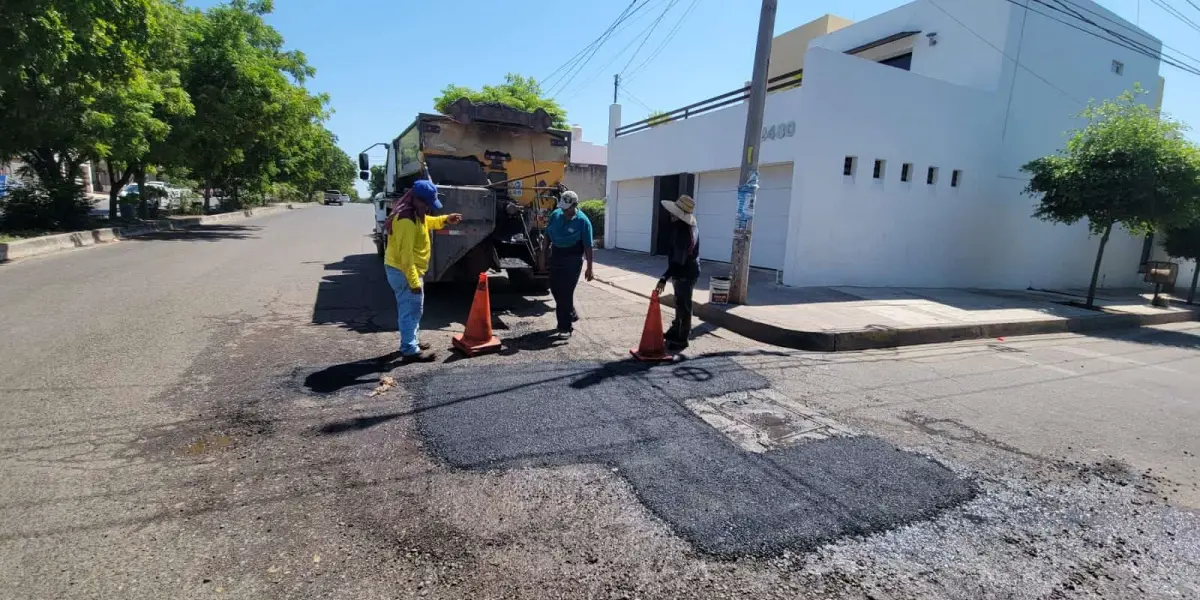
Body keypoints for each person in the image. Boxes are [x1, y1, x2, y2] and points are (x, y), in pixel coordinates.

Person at [384, 180, 462, 362]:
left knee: (413, 309)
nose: (429, 208)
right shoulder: (406, 221)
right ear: (417, 200)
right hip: (403, 271)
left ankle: (412, 341)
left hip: (407, 270)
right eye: (427, 203)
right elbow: (405, 257)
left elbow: (427, 222)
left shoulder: (415, 213)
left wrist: (445, 219)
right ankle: (409, 349)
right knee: (410, 310)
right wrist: (413, 282)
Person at [542, 190, 594, 338]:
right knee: (555, 290)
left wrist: (590, 269)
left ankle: (565, 327)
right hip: (557, 255)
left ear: (574, 205)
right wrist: (543, 255)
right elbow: (547, 236)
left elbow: (588, 247)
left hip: (573, 258)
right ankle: (570, 312)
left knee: (565, 292)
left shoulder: (583, 221)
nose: (564, 211)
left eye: (567, 208)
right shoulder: (556, 215)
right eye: (562, 208)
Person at [654, 194, 699, 351]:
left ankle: (682, 338)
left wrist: (663, 278)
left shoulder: (682, 233)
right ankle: (676, 330)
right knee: (679, 302)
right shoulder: (687, 227)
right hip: (687, 270)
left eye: (674, 213)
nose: (671, 214)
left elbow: (677, 262)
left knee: (684, 305)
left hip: (685, 272)